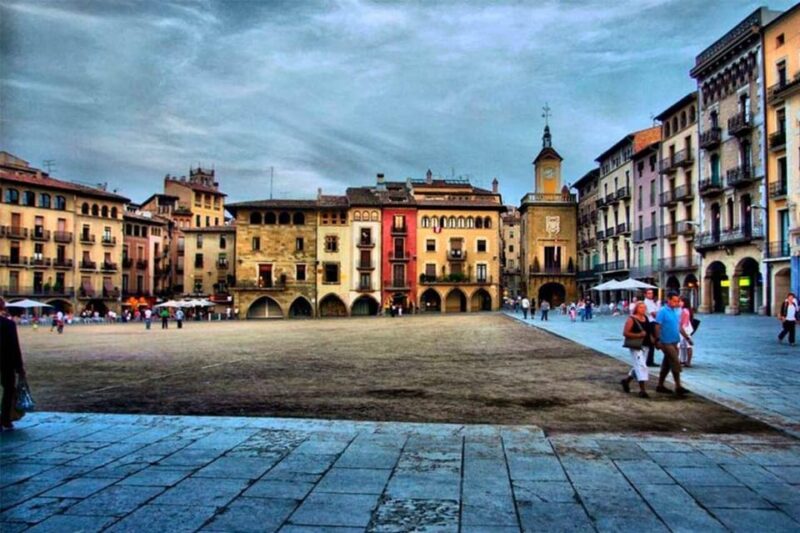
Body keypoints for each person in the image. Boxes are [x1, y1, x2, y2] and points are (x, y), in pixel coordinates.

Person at [653, 292, 692, 396]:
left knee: (667, 364)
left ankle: (660, 385)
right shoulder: (662, 311)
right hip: (665, 341)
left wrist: (687, 337)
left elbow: (679, 326)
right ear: (668, 300)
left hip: (674, 341)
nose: (676, 303)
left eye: (677, 301)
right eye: (674, 301)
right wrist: (657, 340)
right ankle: (678, 386)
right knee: (675, 361)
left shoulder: (676, 311)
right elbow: (657, 325)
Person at [0, 297, 26, 431]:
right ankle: (5, 419)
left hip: (6, 362)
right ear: (2, 307)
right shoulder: (9, 325)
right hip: (6, 362)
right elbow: (14, 347)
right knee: (8, 390)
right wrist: (19, 367)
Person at [620, 301, 651, 398]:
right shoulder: (631, 319)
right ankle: (642, 389)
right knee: (641, 366)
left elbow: (648, 331)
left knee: (639, 365)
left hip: (645, 345)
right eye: (641, 307)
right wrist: (638, 335)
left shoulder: (646, 318)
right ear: (636, 308)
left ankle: (626, 380)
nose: (643, 309)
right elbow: (625, 333)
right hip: (636, 345)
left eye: (644, 307)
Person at [643, 289, 660, 367]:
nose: (651, 294)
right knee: (651, 342)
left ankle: (650, 359)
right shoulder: (647, 302)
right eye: (649, 293)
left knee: (652, 342)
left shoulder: (652, 302)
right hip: (650, 323)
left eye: (652, 293)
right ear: (645, 294)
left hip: (653, 322)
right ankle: (649, 360)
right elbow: (653, 314)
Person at [678, 297, 695, 367]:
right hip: (687, 328)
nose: (679, 303)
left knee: (686, 345)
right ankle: (684, 360)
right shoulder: (686, 310)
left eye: (680, 301)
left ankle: (687, 361)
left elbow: (682, 323)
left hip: (684, 329)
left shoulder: (684, 311)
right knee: (685, 346)